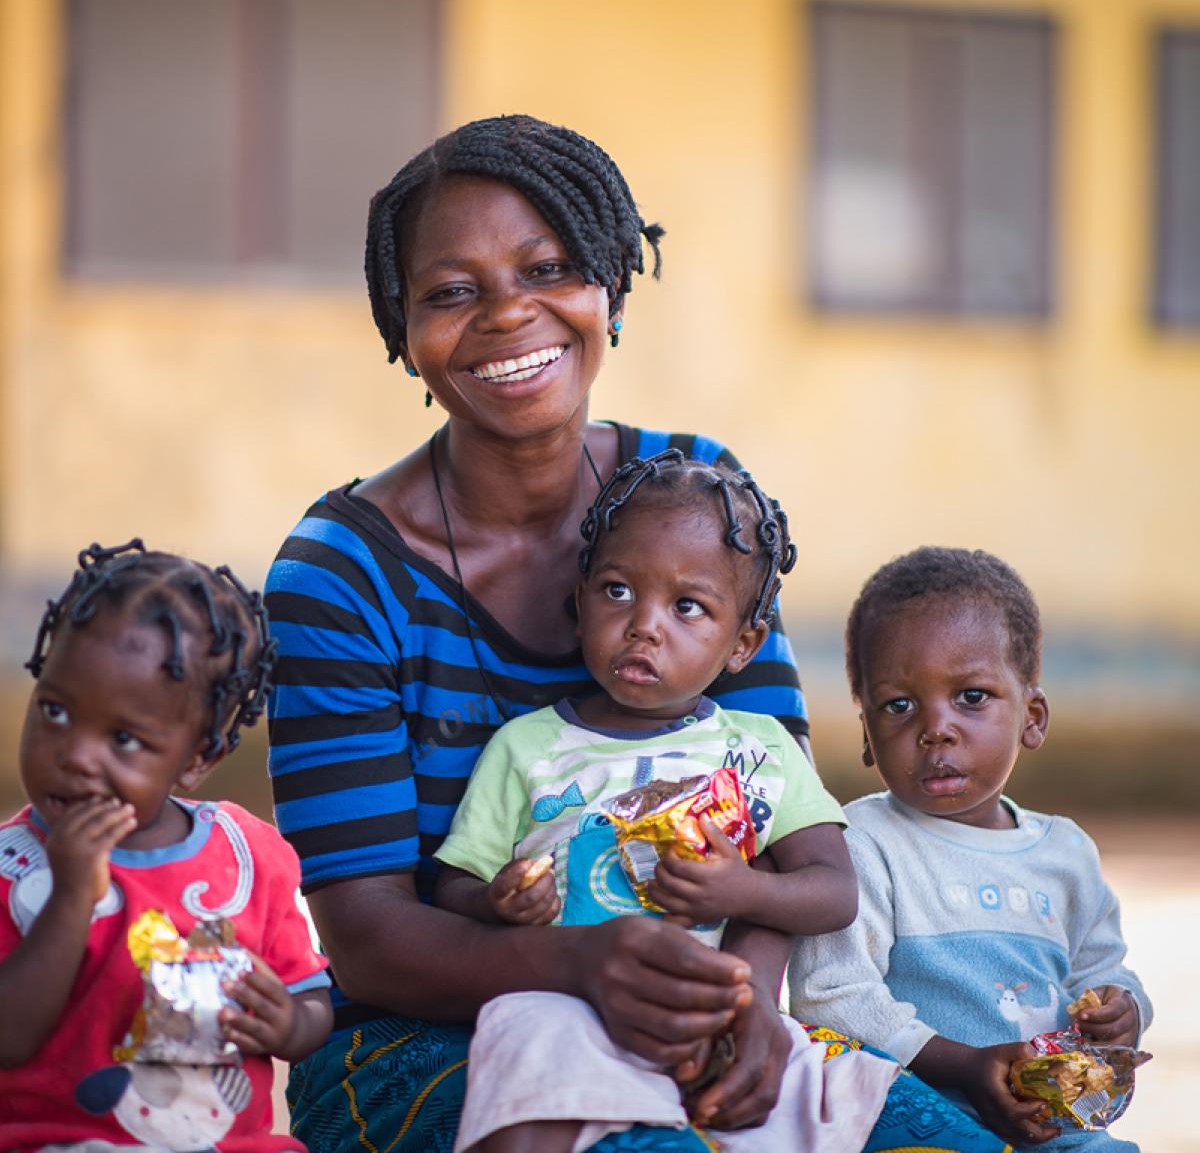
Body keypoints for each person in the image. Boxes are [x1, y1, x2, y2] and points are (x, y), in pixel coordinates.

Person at [265, 113, 1027, 1153]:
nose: (507, 313)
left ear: (610, 292)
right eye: (450, 291)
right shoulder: (342, 573)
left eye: (549, 267)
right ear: (400, 329)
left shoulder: (697, 498)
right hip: (416, 1039)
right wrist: (577, 963)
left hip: (703, 1012)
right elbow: (367, 942)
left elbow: (774, 818)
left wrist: (748, 998)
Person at [434, 449, 902, 1152]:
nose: (645, 625)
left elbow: (834, 891)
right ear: (580, 599)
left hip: (717, 1018)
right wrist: (496, 902)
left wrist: (741, 889)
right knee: (526, 1061)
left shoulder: (759, 749)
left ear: (742, 644)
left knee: (835, 1097)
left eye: (688, 607)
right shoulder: (525, 749)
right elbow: (454, 884)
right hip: (567, 1007)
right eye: (618, 591)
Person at [787, 546, 1153, 1152]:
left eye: (972, 697)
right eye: (899, 705)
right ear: (867, 736)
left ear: (1031, 717)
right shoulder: (862, 843)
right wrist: (964, 1067)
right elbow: (832, 998)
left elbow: (1102, 971)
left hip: (1058, 1130)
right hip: (917, 1126)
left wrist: (1125, 1009)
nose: (936, 727)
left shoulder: (1065, 853)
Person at [0, 539, 332, 1151]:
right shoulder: (12, 868)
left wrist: (290, 1023)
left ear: (197, 759)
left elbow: (311, 996)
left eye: (123, 738)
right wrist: (71, 896)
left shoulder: (245, 858)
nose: (74, 755)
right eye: (54, 710)